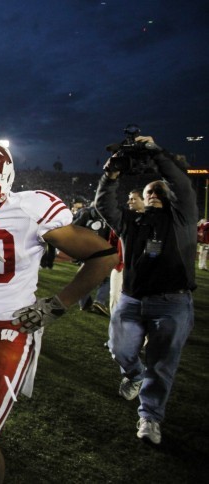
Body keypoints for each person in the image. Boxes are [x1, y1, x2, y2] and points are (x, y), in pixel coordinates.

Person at [0, 137, 118, 483]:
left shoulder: (29, 210)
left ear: (4, 180)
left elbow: (104, 256)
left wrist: (55, 305)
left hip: (11, 332)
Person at [95, 135, 197, 446]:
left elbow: (179, 183)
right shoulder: (132, 222)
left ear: (169, 196)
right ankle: (134, 374)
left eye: (158, 191)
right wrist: (110, 175)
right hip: (131, 300)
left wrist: (155, 153)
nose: (152, 194)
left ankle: (150, 417)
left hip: (172, 303)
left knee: (162, 364)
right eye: (148, 191)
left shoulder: (183, 218)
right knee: (120, 349)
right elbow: (103, 204)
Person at [109, 189, 145, 314]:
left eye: (134, 199)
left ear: (144, 200)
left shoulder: (154, 221)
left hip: (142, 269)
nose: (129, 201)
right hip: (120, 266)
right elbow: (112, 243)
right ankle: (116, 327)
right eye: (130, 198)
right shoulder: (122, 220)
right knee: (115, 297)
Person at [72, 201, 111, 316]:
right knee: (106, 279)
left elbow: (74, 228)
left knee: (85, 276)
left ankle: (85, 303)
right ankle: (98, 301)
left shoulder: (85, 213)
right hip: (101, 250)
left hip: (87, 250)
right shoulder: (108, 216)